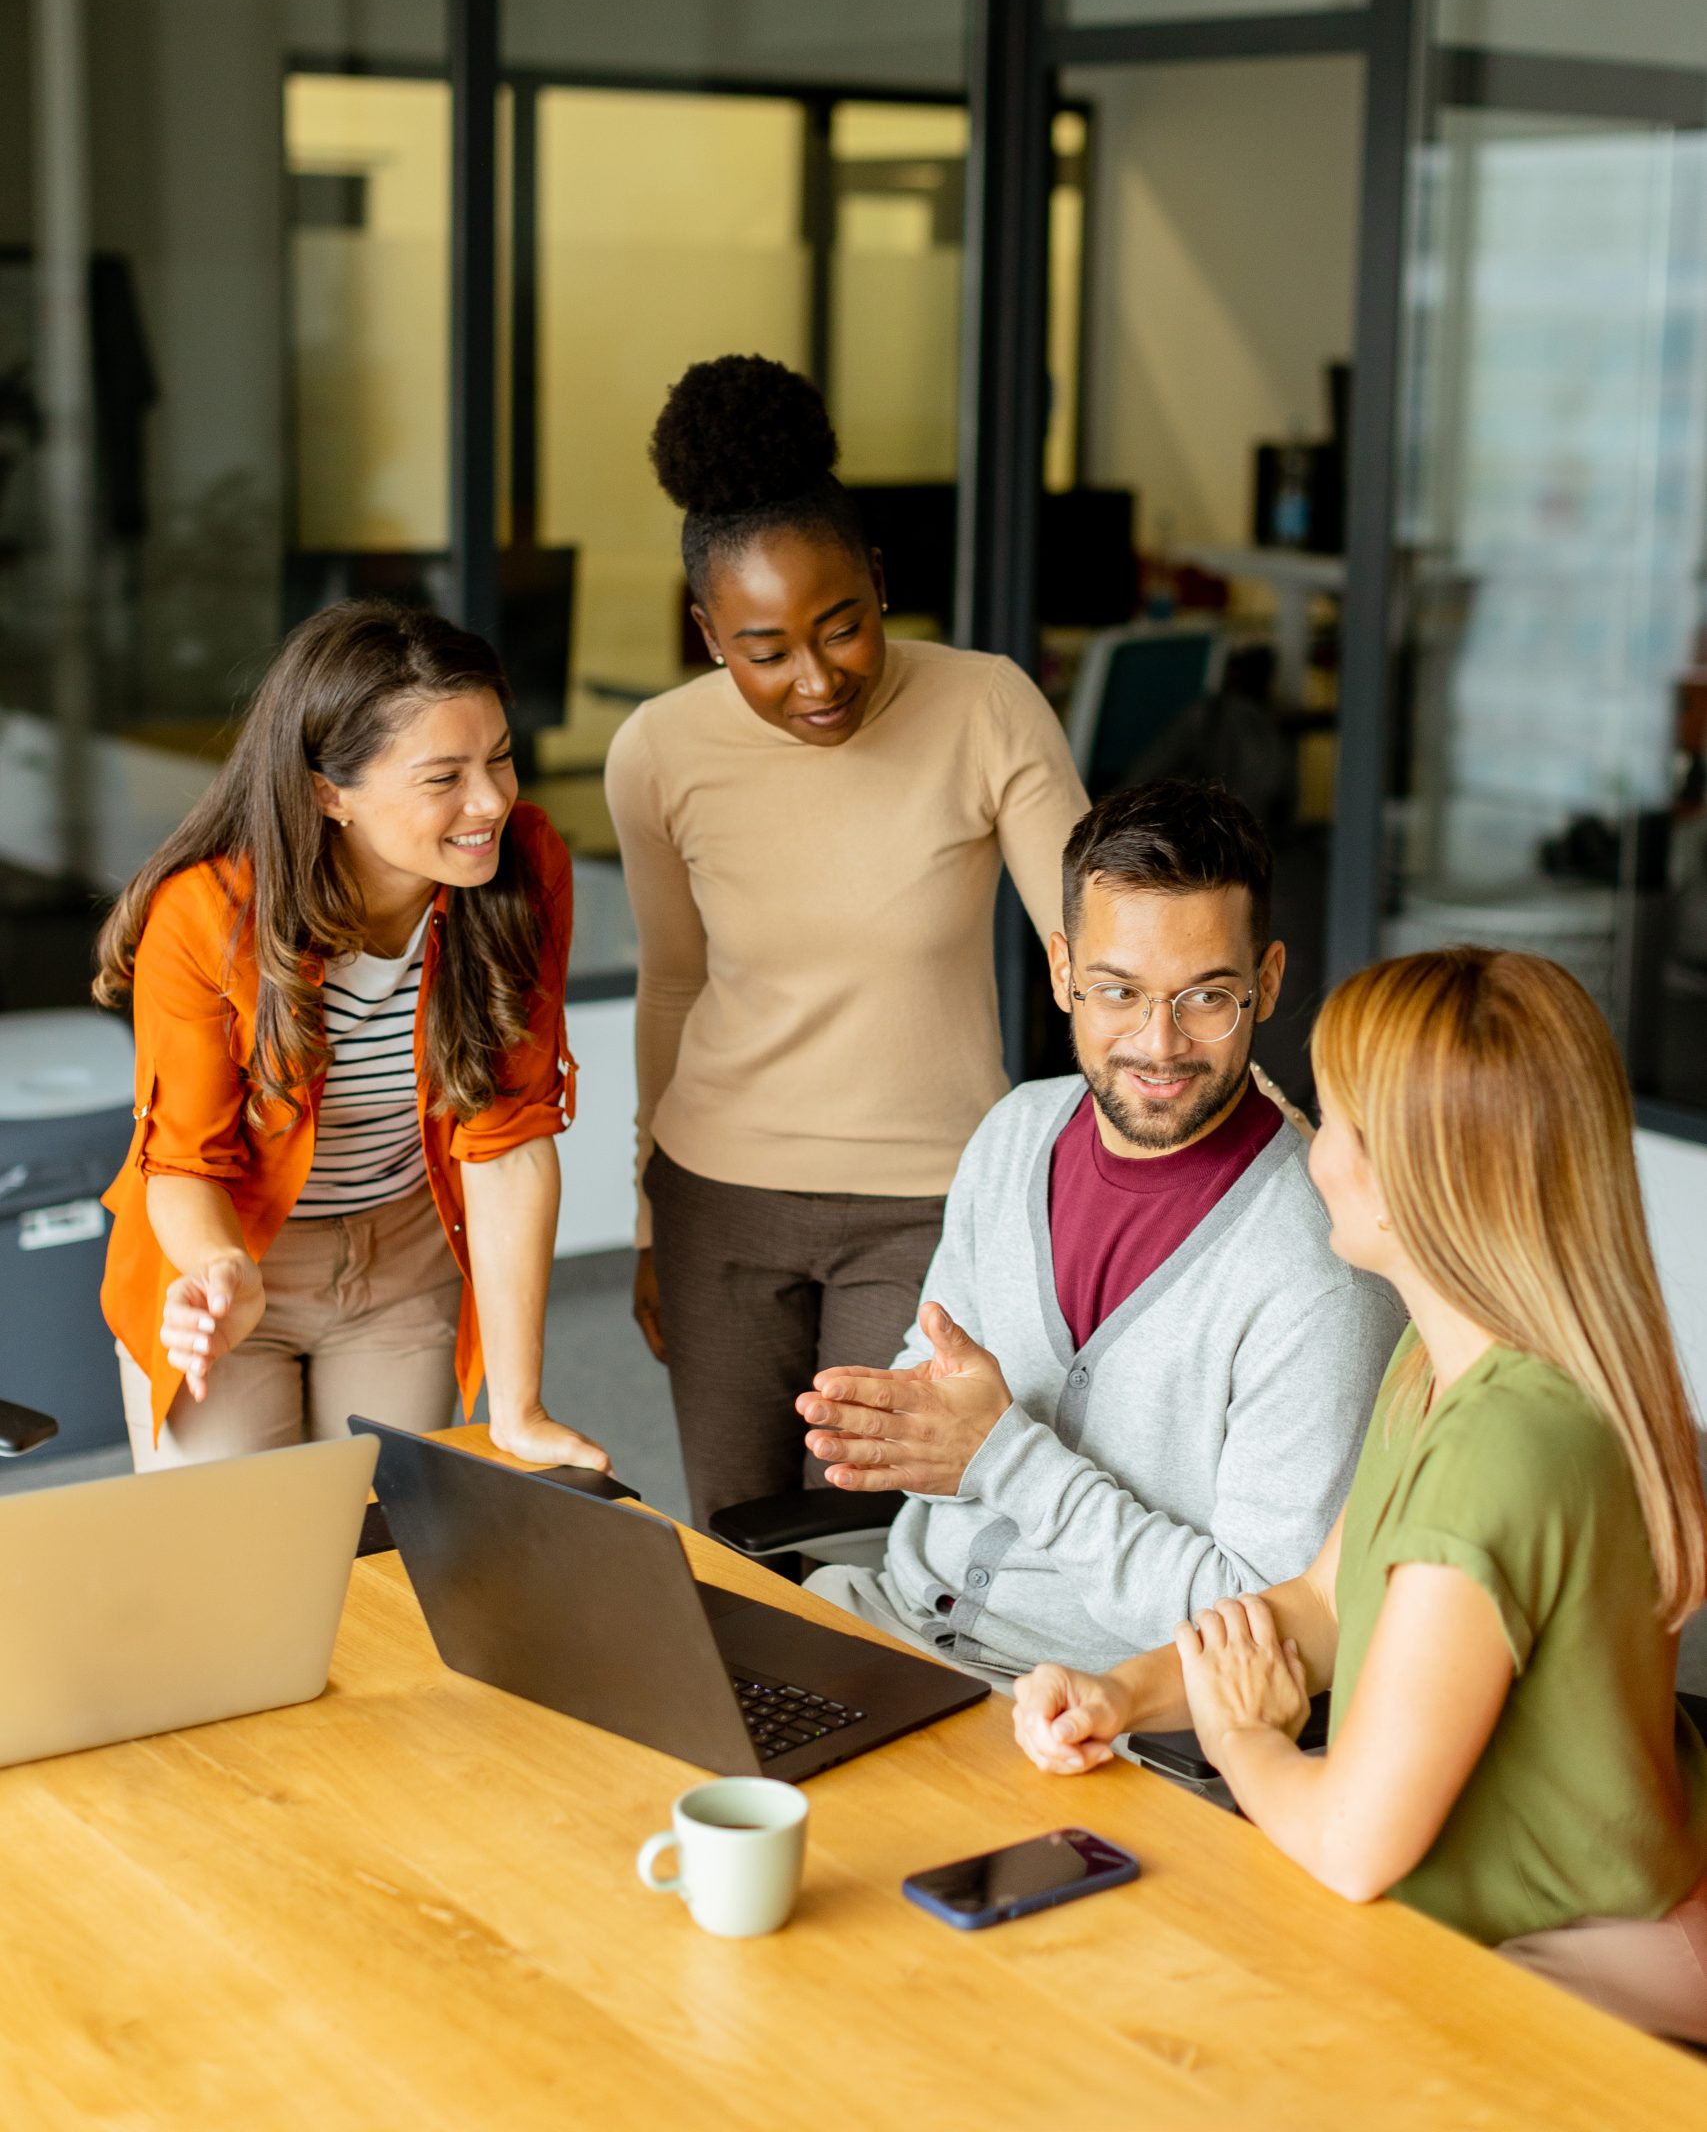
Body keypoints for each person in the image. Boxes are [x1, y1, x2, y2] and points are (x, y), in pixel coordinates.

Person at [1011, 947, 1707, 2045]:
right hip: (1495, 1900)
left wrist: (1246, 1743)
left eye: (1331, 1121)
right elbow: (1326, 1606)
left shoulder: (1506, 1449)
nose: (1308, 1147)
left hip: (1560, 1956)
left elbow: (1351, 1842)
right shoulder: (1441, 1361)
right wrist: (1123, 1692)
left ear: (1415, 1175)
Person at [603, 354, 1088, 1528]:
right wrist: (650, 1215)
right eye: (765, 650)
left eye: (844, 627)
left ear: (879, 583)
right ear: (707, 633)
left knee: (879, 1541)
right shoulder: (657, 754)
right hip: (718, 1194)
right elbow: (671, 986)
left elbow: (1095, 950)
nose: (815, 679)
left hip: (925, 1200)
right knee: (740, 1529)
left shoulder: (986, 706)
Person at [794, 780, 1402, 1681]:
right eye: (1118, 991)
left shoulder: (1320, 1275)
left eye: (1206, 998)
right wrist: (899, 1419)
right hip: (890, 1618)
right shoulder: (1013, 1134)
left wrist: (1002, 1458)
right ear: (1062, 970)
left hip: (1098, 1708)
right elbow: (935, 1392)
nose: (1158, 1045)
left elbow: (1265, 1629)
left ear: (1266, 983)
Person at [96, 599, 609, 1474]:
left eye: (500, 758)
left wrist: (519, 1409)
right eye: (443, 778)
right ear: (328, 792)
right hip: (238, 1257)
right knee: (233, 1557)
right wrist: (223, 1272)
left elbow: (507, 1139)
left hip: (404, 1258)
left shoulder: (523, 865)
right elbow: (181, 1162)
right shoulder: (209, 912)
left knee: (378, 1543)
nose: (490, 801)